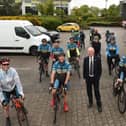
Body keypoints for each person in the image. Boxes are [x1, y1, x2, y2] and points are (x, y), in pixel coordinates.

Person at [0, 57, 24, 126]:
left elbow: (18, 82)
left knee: (20, 99)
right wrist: (2, 100)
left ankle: (22, 111)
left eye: (7, 64)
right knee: (5, 106)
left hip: (13, 88)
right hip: (5, 90)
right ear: (1, 65)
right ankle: (7, 118)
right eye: (4, 64)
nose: (6, 66)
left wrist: (21, 93)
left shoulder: (13, 71)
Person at [83, 47, 102, 112]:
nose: (90, 53)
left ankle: (99, 104)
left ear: (93, 52)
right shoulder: (85, 59)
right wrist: (85, 77)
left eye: (91, 52)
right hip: (88, 78)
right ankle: (90, 102)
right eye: (89, 52)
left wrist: (98, 77)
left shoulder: (98, 59)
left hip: (95, 78)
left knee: (96, 91)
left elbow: (100, 69)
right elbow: (84, 69)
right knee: (89, 91)